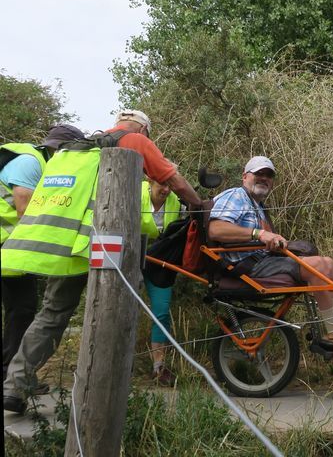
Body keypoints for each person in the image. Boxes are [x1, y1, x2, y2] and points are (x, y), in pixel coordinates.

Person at [2, 110, 206, 414]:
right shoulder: (134, 139)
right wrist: (200, 205)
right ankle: (104, 394)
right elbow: (172, 178)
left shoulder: (82, 148)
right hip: (103, 247)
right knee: (114, 314)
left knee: (52, 314)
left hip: (69, 243)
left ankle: (15, 385)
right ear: (144, 129)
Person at [208, 156, 333, 355]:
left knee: (328, 264)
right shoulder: (236, 195)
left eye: (268, 175)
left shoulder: (258, 205)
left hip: (261, 260)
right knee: (319, 267)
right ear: (245, 177)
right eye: (258, 174)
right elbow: (215, 229)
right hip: (245, 265)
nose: (264, 178)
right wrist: (259, 234)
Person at [0, 125, 83, 386]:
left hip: (11, 248)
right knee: (22, 310)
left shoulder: (43, 165)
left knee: (21, 310)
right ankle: (10, 378)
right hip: (7, 247)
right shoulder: (30, 163)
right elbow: (25, 210)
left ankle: (14, 377)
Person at [140, 178, 183, 386]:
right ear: (149, 181)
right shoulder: (134, 192)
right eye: (161, 184)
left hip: (159, 261)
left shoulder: (176, 200)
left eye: (169, 185)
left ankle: (159, 367)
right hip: (130, 258)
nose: (166, 189)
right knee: (122, 310)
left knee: (162, 311)